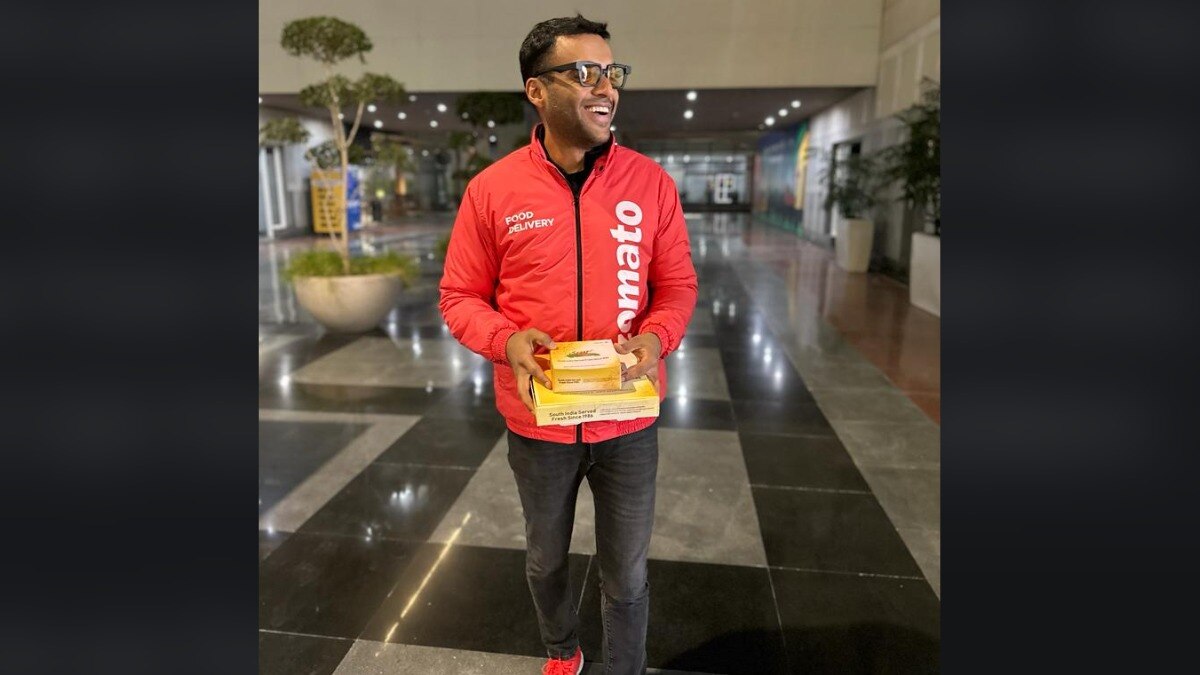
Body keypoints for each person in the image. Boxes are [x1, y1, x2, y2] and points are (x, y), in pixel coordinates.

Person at [438, 14, 697, 675]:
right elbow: (459, 295)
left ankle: (625, 666)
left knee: (627, 571)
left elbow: (677, 287)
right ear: (536, 90)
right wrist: (505, 339)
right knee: (545, 559)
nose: (606, 88)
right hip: (539, 421)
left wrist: (656, 336)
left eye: (612, 73)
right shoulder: (493, 190)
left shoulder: (651, 184)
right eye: (584, 73)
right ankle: (563, 651)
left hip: (627, 419)